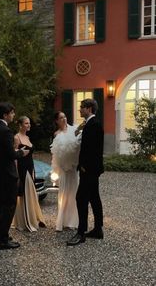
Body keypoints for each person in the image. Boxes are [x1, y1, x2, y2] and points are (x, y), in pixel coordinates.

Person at [0, 102, 29, 250]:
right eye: (11, 113)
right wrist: (21, 153)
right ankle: (3, 239)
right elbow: (10, 155)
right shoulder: (5, 131)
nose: (13, 115)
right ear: (5, 115)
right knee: (9, 206)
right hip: (7, 175)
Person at [67, 99, 104, 246]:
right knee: (94, 197)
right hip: (92, 169)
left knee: (81, 198)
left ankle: (81, 233)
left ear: (89, 109)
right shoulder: (91, 124)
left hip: (89, 169)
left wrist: (84, 166)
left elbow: (93, 150)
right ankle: (98, 229)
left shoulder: (93, 125)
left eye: (81, 108)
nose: (79, 110)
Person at [12, 116, 46, 231]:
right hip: (21, 169)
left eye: (29, 123)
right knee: (24, 193)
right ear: (20, 125)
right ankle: (23, 220)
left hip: (30, 167)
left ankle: (33, 217)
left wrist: (32, 169)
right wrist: (16, 173)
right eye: (26, 123)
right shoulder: (16, 138)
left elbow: (30, 155)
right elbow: (15, 157)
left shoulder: (27, 137)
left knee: (31, 193)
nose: (29, 125)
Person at [50, 111, 83, 231]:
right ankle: (62, 220)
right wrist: (56, 169)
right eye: (61, 118)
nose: (64, 119)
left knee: (74, 193)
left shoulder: (74, 129)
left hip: (73, 168)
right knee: (63, 194)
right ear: (57, 121)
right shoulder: (56, 134)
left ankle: (73, 221)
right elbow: (55, 153)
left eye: (65, 116)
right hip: (63, 169)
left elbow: (78, 144)